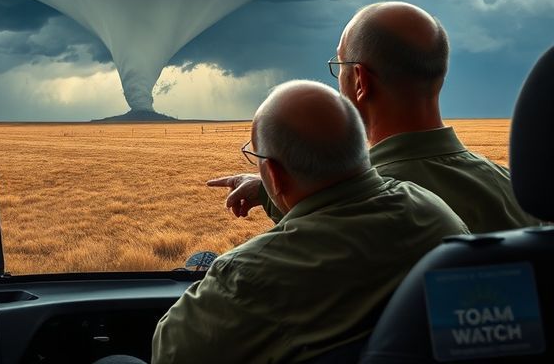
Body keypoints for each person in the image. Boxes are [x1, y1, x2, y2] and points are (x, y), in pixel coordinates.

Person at [153, 81, 467, 363]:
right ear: (360, 150)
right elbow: (341, 213)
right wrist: (269, 195)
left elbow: (170, 352)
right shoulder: (434, 213)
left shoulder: (247, 277)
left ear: (274, 175)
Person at [210, 2, 537, 233]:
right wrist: (265, 189)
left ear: (362, 82)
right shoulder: (513, 190)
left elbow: (312, 239)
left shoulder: (358, 205)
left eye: (340, 67)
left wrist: (277, 187)